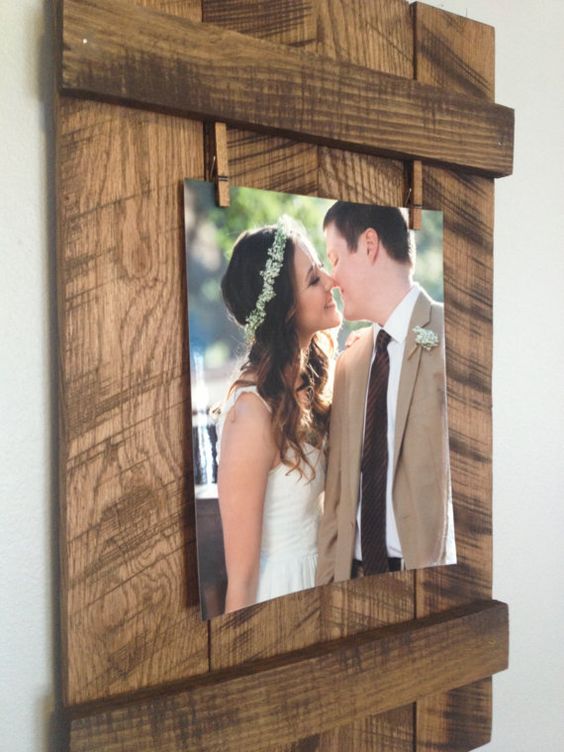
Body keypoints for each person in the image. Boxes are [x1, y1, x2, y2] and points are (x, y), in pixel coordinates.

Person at [316, 202, 456, 585]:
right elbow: (337, 502)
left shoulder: (452, 336)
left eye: (335, 259)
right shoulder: (350, 361)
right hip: (352, 580)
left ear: (369, 244)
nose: (331, 279)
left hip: (425, 581)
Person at [217, 217, 341, 613]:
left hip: (323, 583)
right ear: (286, 309)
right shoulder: (250, 416)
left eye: (321, 269)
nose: (331, 281)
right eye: (313, 279)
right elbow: (241, 578)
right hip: (280, 597)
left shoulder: (311, 382)